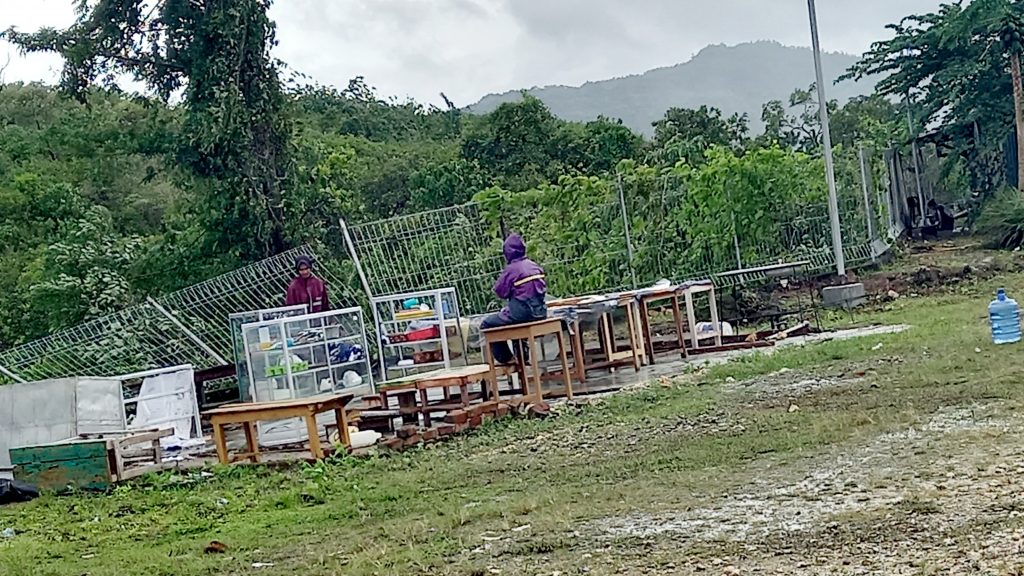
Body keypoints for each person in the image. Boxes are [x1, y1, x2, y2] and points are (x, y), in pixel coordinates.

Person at [480, 234, 547, 365]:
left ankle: (506, 358)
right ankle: (523, 356)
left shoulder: (511, 270)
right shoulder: (535, 266)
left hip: (521, 314)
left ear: (507, 253)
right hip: (540, 313)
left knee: (488, 324)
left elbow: (500, 292)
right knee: (514, 320)